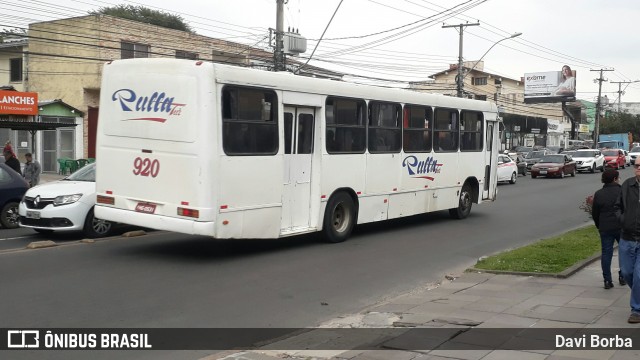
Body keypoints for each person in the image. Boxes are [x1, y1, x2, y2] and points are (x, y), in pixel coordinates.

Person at [615, 157, 640, 323]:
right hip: (627, 237)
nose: (639, 168)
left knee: (639, 274)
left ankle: (636, 310)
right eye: (637, 165)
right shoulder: (627, 185)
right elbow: (618, 206)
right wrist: (622, 220)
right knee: (627, 273)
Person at [592, 169, 624, 289]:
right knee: (624, 251)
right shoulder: (622, 191)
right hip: (621, 226)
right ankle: (622, 276)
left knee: (606, 253)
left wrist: (599, 225)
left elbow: (595, 212)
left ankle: (607, 280)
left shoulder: (599, 193)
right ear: (615, 179)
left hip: (605, 227)